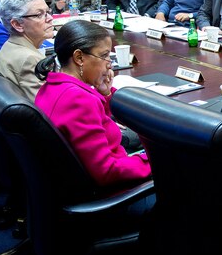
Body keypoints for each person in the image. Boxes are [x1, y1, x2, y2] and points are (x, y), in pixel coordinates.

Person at [34, 20, 151, 186]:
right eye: (103, 56)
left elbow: (97, 121)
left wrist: (105, 93)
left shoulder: (53, 86)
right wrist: (152, 160)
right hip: (113, 191)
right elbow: (107, 171)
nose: (109, 64)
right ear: (79, 57)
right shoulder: (77, 100)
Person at [0, 0, 55, 101]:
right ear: (17, 24)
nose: (50, 18)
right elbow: (50, 107)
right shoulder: (29, 60)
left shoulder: (11, 45)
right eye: (39, 15)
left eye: (47, 12)